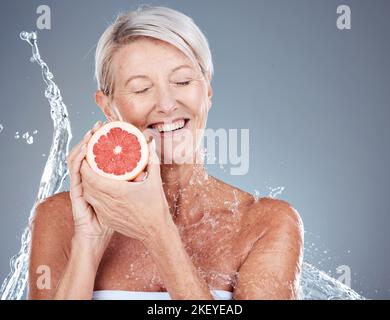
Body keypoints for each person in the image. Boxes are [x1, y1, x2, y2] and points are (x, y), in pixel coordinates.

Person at [28, 5, 303, 300]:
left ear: (207, 92)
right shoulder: (60, 220)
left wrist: (157, 231)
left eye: (182, 82)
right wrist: (88, 241)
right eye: (141, 88)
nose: (167, 103)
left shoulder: (266, 224)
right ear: (107, 107)